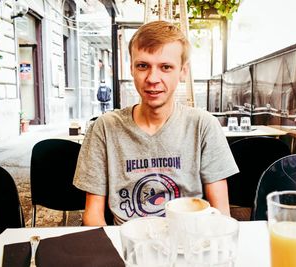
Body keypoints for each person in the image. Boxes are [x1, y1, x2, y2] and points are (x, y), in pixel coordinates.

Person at [73, 20, 239, 226]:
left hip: (188, 240)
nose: (153, 78)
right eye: (143, 66)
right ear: (131, 69)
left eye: (166, 67)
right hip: (127, 246)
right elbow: (93, 215)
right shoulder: (105, 127)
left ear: (183, 71)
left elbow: (221, 212)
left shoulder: (203, 125)